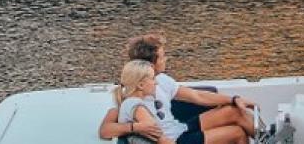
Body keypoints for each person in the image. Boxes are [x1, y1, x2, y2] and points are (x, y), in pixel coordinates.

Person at [99, 34, 257, 144]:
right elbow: (106, 129)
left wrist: (234, 99)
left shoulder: (161, 80)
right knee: (237, 133)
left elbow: (196, 96)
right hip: (175, 139)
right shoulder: (131, 97)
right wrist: (134, 127)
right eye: (162, 56)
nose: (166, 59)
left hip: (179, 129)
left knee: (234, 110)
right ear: (151, 64)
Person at [116, 59, 172, 144]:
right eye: (153, 79)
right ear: (141, 85)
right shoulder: (136, 105)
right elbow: (160, 137)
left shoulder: (128, 103)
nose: (156, 83)